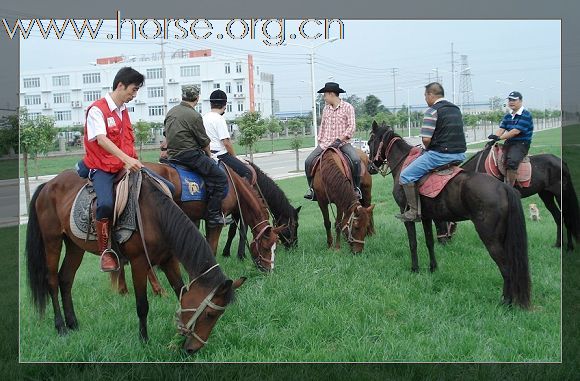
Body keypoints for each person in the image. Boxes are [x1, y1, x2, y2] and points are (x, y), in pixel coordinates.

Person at [81, 66, 144, 272]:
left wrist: (134, 160)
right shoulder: (97, 110)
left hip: (124, 165)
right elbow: (101, 140)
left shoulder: (123, 110)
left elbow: (126, 140)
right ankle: (105, 251)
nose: (134, 95)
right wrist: (126, 159)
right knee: (106, 204)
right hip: (102, 168)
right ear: (120, 85)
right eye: (133, 90)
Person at [396, 82, 467, 222]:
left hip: (440, 156)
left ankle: (413, 212)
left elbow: (426, 139)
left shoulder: (432, 111)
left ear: (430, 94)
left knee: (406, 176)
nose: (425, 99)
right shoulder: (456, 109)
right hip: (460, 154)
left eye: (425, 96)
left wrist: (429, 148)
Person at [164, 85, 230, 226]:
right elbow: (204, 141)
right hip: (190, 155)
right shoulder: (194, 115)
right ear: (197, 98)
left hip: (171, 156)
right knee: (220, 178)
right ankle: (213, 215)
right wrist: (209, 156)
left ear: (182, 96)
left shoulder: (171, 112)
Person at [304, 82, 361, 201]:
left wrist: (339, 139)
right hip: (325, 144)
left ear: (331, 94)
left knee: (355, 160)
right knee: (308, 161)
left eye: (325, 95)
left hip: (342, 144)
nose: (324, 97)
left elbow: (351, 127)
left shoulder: (348, 107)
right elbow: (323, 126)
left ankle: (356, 188)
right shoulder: (326, 109)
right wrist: (320, 140)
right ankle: (312, 189)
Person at [202, 89, 252, 181]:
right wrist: (235, 157)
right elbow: (226, 143)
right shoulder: (219, 119)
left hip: (206, 154)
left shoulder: (204, 118)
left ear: (211, 104)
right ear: (224, 105)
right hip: (220, 155)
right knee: (247, 172)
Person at [487, 91, 534, 186]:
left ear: (520, 101)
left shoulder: (526, 115)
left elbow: (515, 131)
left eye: (514, 100)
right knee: (492, 155)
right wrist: (494, 140)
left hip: (521, 144)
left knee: (511, 162)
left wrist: (499, 138)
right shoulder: (508, 116)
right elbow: (501, 128)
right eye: (509, 100)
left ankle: (510, 188)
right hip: (509, 143)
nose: (511, 102)